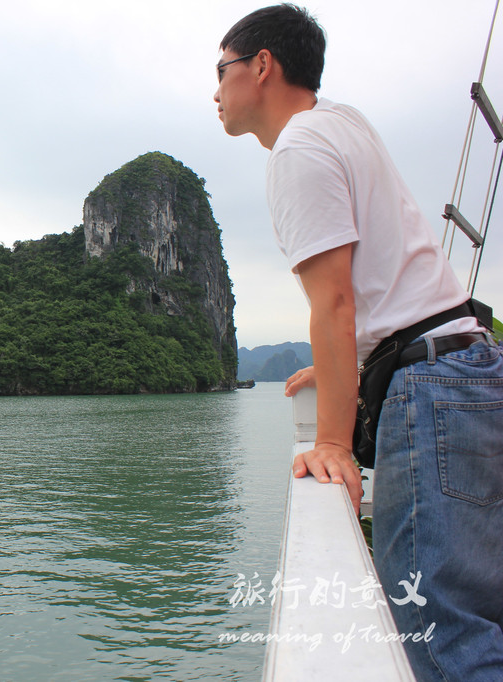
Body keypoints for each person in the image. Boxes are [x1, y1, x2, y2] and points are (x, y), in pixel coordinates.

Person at [213, 4, 503, 680]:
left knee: (442, 639)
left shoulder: (299, 147)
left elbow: (336, 300)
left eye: (221, 69)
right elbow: (384, 286)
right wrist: (349, 363)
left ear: (262, 67)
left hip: (433, 393)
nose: (215, 90)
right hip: (468, 366)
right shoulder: (345, 125)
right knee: (478, 616)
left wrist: (336, 442)